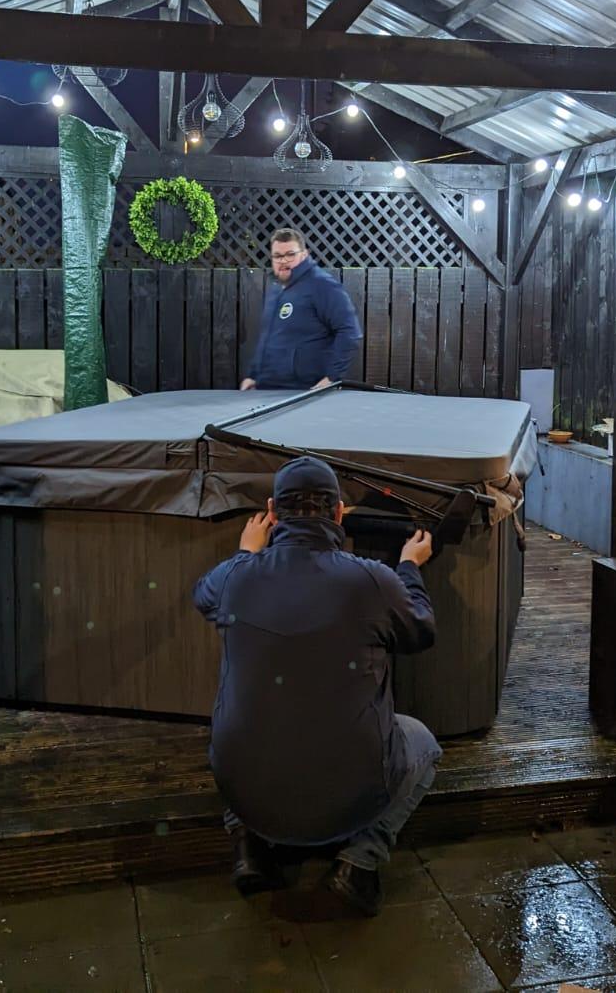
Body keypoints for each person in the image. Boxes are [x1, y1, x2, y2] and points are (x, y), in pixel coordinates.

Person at [192, 455, 439, 917]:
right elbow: (420, 631)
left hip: (245, 787)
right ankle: (358, 864)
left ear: (271, 510)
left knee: (239, 726)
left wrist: (246, 552)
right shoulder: (373, 580)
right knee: (423, 743)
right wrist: (410, 566)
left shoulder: (233, 579)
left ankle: (249, 846)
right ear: (340, 512)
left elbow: (202, 594)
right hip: (352, 787)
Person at [240, 228, 362, 391]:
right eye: (277, 256)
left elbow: (350, 331)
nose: (283, 260)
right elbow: (268, 337)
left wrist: (332, 377)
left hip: (305, 392)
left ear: (304, 254)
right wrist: (253, 375)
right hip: (268, 389)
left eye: (290, 254)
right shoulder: (277, 289)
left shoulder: (322, 285)